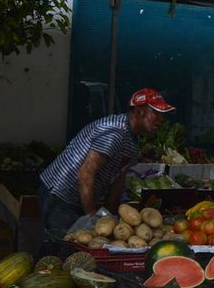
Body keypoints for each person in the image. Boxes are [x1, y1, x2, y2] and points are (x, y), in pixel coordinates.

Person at [38, 88, 173, 238]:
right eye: (156, 113)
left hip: (78, 199)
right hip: (61, 195)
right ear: (139, 110)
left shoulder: (133, 141)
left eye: (163, 114)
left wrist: (110, 216)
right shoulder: (115, 133)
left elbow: (119, 181)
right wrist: (92, 216)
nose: (161, 119)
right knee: (61, 247)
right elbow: (85, 174)